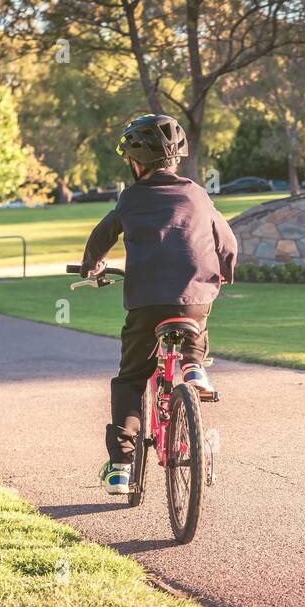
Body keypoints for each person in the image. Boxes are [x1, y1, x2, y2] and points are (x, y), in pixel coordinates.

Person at [81, 114, 238, 495]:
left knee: (132, 377)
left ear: (137, 163)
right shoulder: (198, 194)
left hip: (146, 301)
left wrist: (92, 266)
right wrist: (224, 273)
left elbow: (102, 236)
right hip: (195, 295)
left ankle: (120, 466)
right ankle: (194, 367)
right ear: (176, 159)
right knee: (196, 320)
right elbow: (227, 244)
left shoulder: (131, 198)